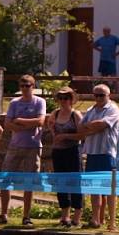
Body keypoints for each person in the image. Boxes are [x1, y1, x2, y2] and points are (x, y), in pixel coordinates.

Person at [0, 75, 46, 226]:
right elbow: (8, 124)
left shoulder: (39, 102)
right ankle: (4, 214)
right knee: (5, 179)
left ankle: (26, 216)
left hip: (33, 146)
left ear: (33, 86)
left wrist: (20, 121)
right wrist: (25, 124)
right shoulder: (14, 102)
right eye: (22, 85)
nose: (25, 88)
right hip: (15, 145)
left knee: (29, 182)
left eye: (28, 85)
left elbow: (40, 121)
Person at [78, 84, 119, 229]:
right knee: (94, 188)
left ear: (108, 95)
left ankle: (112, 221)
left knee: (109, 189)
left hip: (106, 153)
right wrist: (93, 127)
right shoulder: (91, 109)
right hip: (92, 153)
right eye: (95, 95)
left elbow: (103, 125)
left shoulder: (113, 109)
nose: (98, 98)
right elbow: (80, 127)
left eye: (101, 95)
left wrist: (91, 127)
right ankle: (95, 219)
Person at [47, 87, 84, 227]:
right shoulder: (55, 114)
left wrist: (65, 136)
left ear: (71, 99)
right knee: (60, 182)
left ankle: (77, 217)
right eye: (60, 98)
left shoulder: (76, 115)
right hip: (58, 152)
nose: (63, 101)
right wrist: (54, 134)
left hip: (72, 151)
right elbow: (50, 125)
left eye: (66, 98)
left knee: (75, 182)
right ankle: (64, 215)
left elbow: (82, 135)